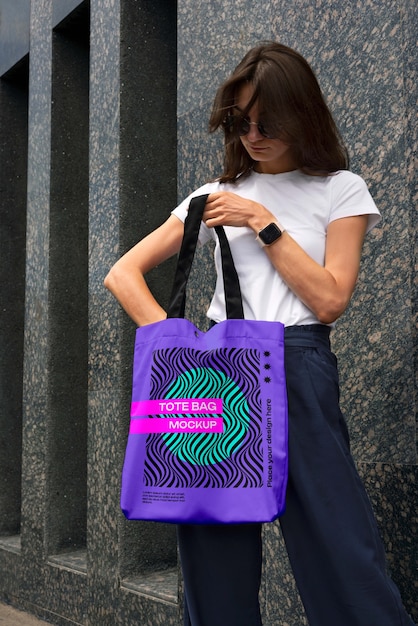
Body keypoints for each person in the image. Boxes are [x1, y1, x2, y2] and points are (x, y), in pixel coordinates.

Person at [104, 42, 415, 626]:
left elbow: (329, 300)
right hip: (214, 378)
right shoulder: (210, 194)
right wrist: (179, 348)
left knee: (338, 540)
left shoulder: (339, 189)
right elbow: (122, 274)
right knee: (211, 548)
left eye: (266, 121)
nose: (252, 133)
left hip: (296, 364)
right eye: (239, 121)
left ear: (302, 115)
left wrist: (262, 223)